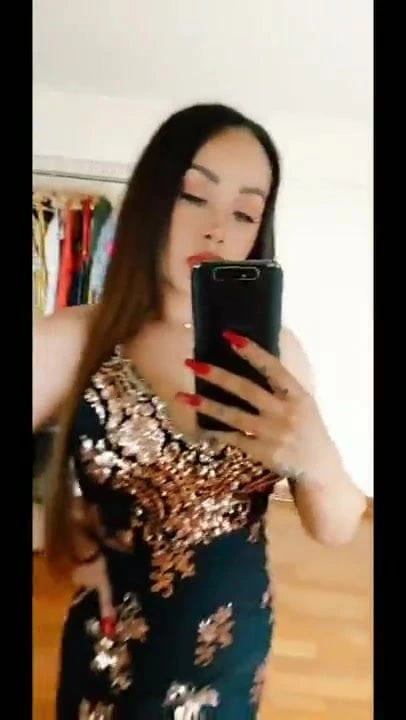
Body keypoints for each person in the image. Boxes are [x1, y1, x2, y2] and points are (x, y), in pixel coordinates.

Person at [33, 103, 366, 719]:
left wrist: (318, 458)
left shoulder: (278, 354)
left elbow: (336, 527)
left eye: (244, 212)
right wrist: (55, 530)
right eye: (193, 197)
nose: (216, 231)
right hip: (117, 661)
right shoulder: (78, 339)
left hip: (234, 654)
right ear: (152, 199)